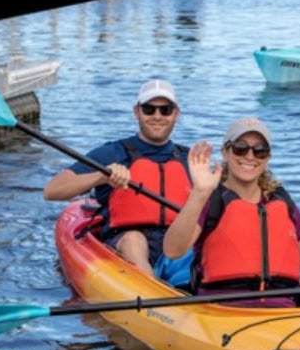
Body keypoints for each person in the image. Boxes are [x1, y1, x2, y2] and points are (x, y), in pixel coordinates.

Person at [162, 117, 300, 307]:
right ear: (225, 152)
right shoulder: (210, 200)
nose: (250, 156)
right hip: (222, 311)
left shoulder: (282, 202)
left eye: (259, 150)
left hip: (281, 313)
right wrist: (199, 193)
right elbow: (173, 250)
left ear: (268, 157)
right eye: (240, 149)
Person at [43, 79, 191, 276]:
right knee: (134, 240)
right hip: (126, 242)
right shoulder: (111, 153)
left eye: (165, 110)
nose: (157, 116)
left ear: (175, 114)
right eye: (149, 109)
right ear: (137, 112)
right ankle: (150, 292)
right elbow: (52, 191)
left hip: (178, 241)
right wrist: (100, 177)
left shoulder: (189, 159)